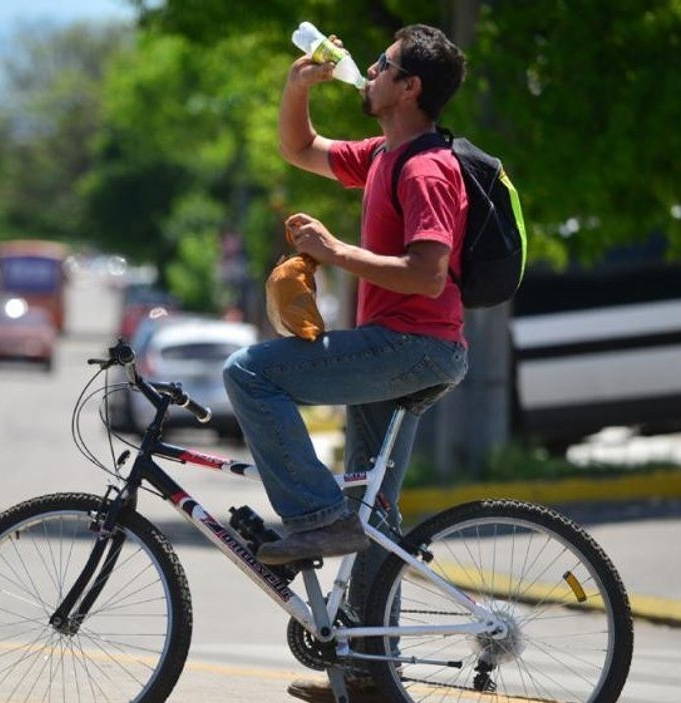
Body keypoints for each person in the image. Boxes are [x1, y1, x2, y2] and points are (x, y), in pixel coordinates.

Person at [220, 24, 468, 702]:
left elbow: (427, 274)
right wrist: (296, 88)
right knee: (371, 511)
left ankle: (310, 517)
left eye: (384, 64)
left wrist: (333, 252)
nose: (372, 70)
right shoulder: (384, 154)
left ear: (408, 87)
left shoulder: (425, 167)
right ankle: (368, 670)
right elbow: (300, 147)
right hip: (400, 347)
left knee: (250, 371)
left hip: (412, 345)